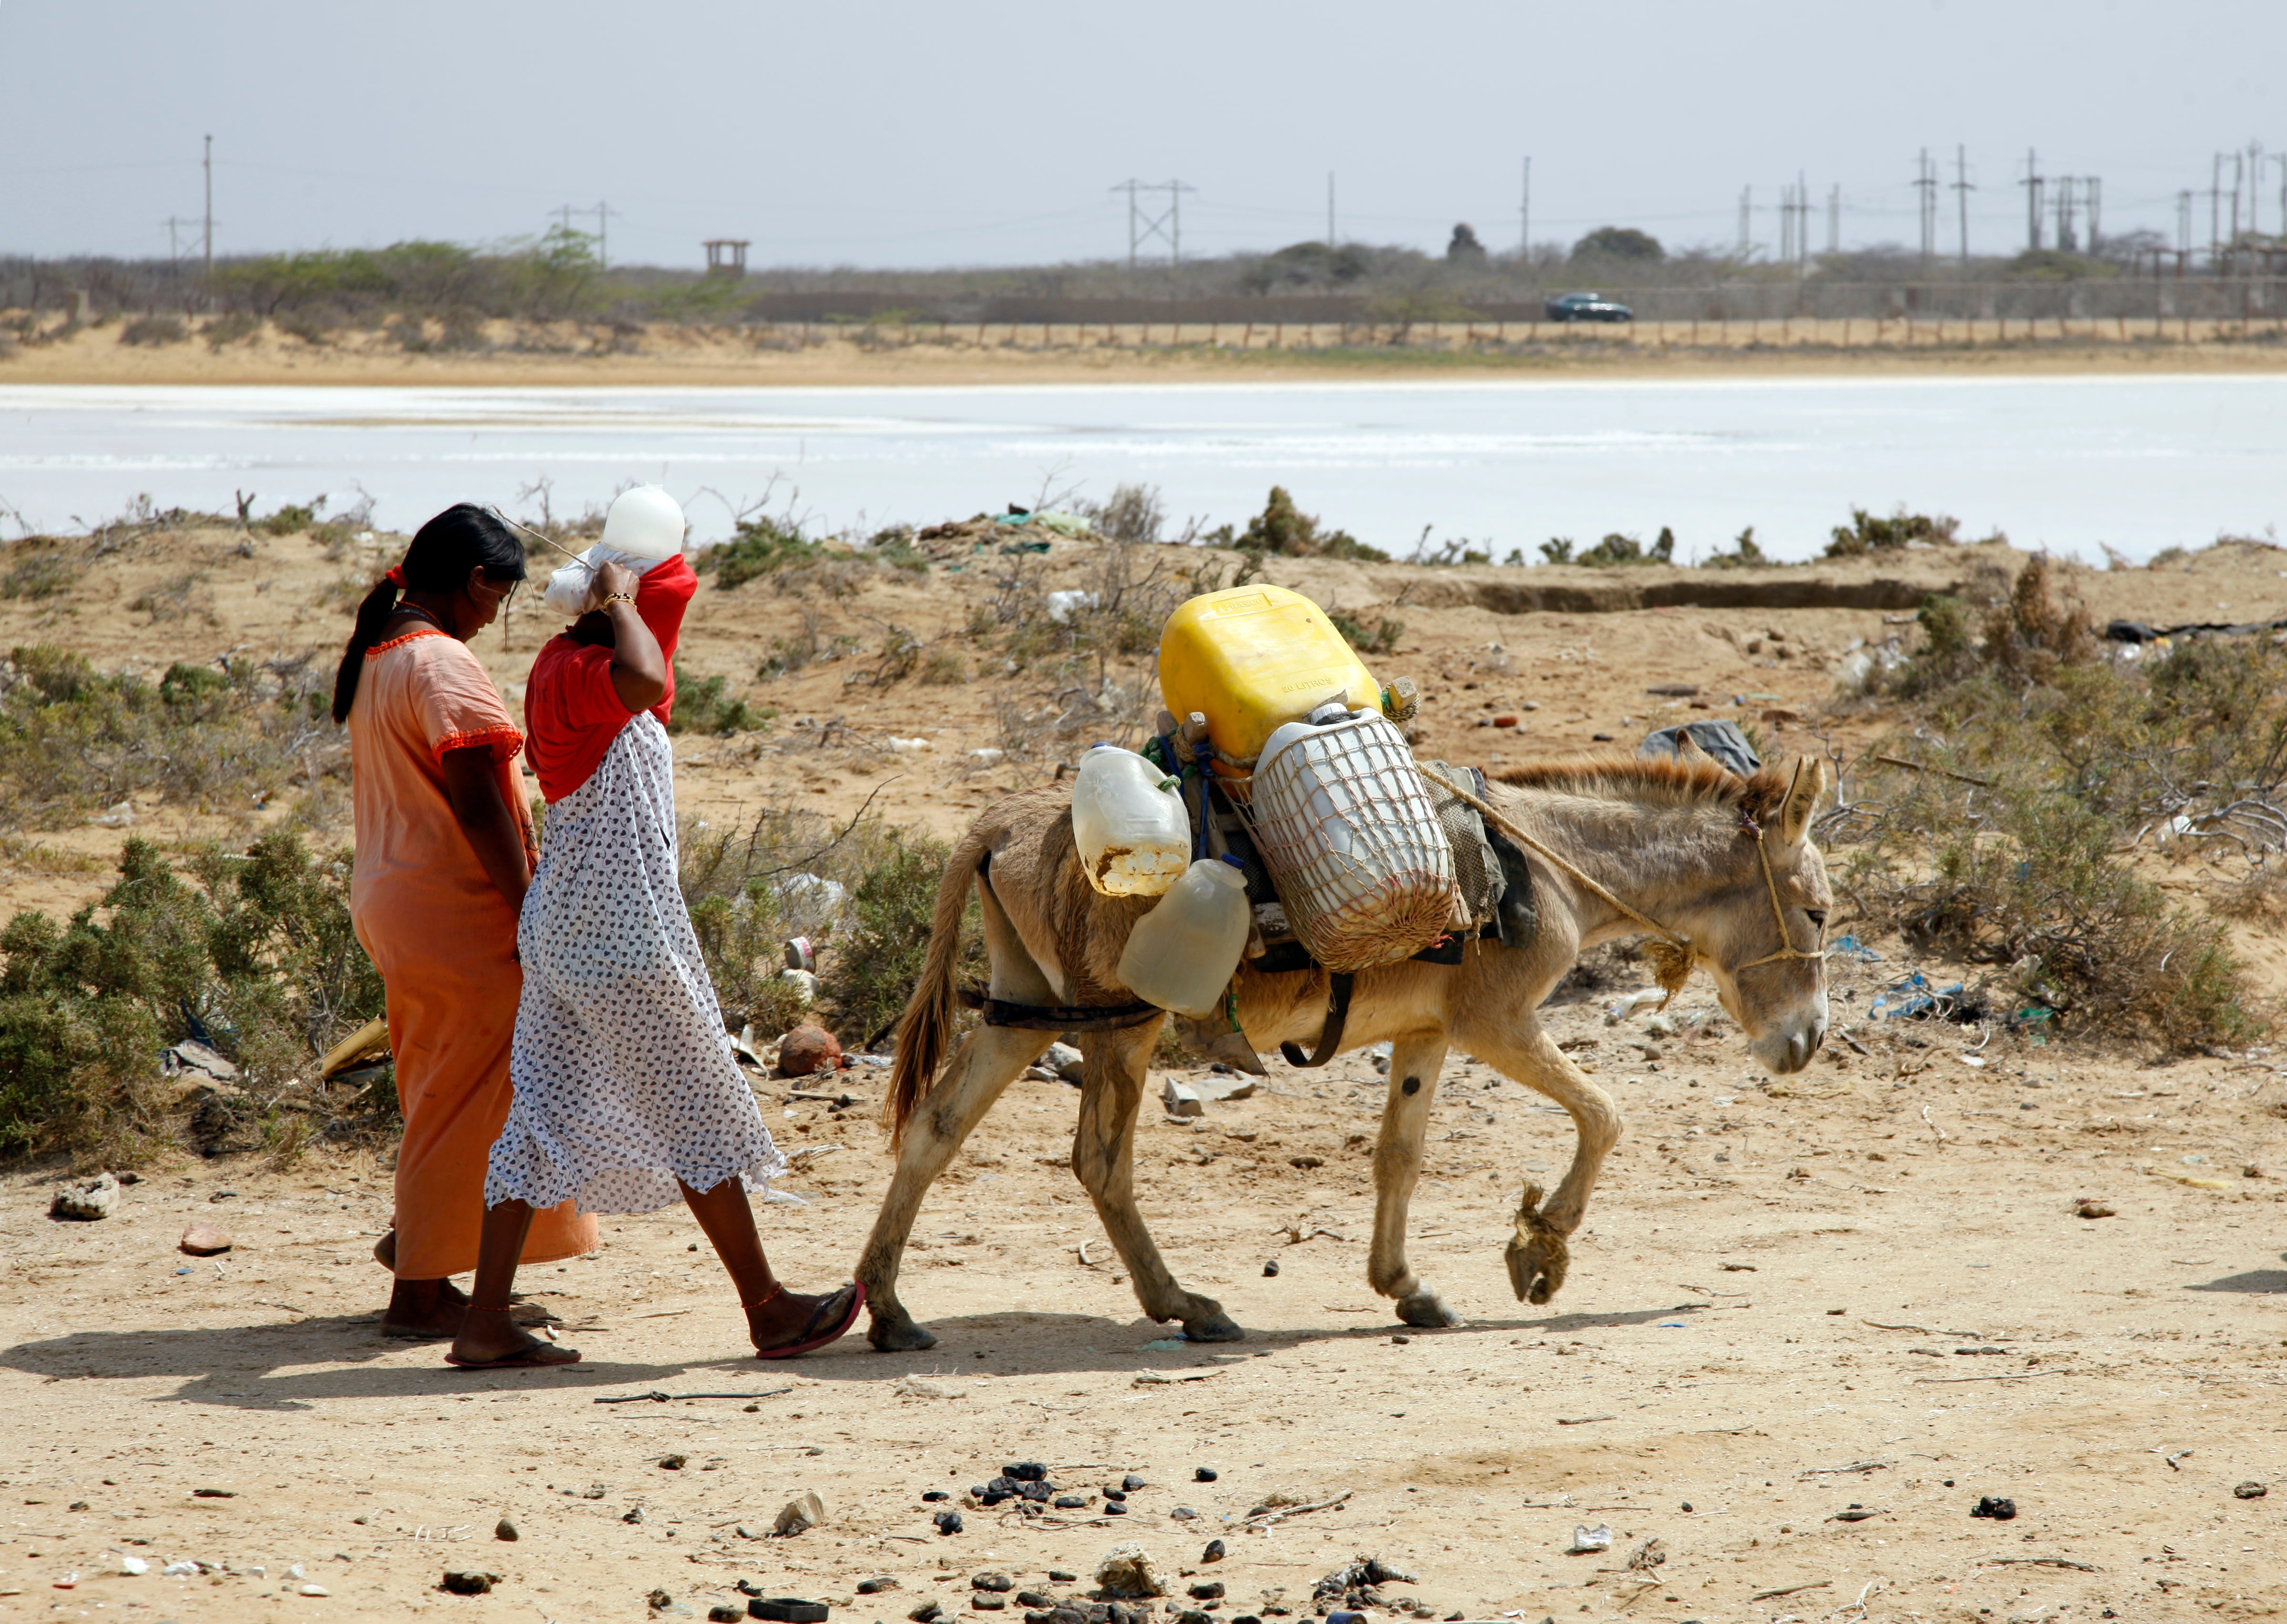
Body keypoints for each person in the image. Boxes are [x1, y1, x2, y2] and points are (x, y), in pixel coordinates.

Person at [446, 521, 862, 1369]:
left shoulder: (567, 667)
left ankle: (485, 1320)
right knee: (697, 1109)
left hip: (568, 931)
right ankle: (769, 1309)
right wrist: (624, 594)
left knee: (539, 1116)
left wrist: (620, 596)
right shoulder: (596, 675)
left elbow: (649, 685)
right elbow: (643, 677)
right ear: (617, 613)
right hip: (618, 939)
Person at [335, 504, 599, 1338]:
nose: (496, 617)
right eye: (500, 599)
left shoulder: (385, 656)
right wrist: (534, 913)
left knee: (443, 1087)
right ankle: (418, 1285)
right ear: (477, 580)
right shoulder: (442, 666)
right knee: (467, 1093)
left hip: (399, 901)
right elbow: (485, 808)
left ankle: (425, 1257)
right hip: (456, 908)